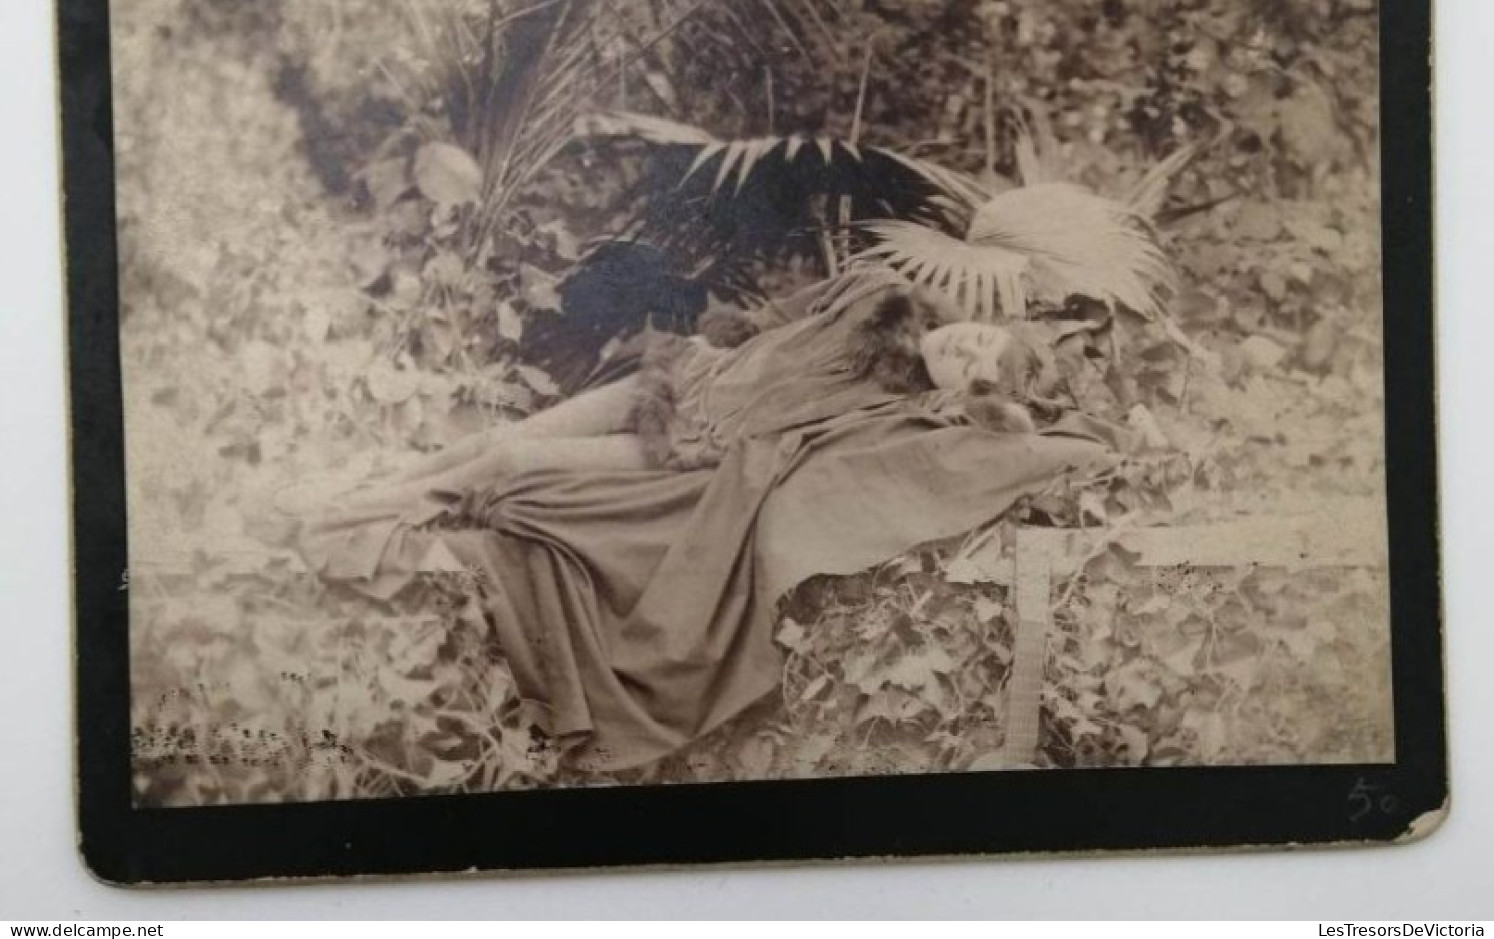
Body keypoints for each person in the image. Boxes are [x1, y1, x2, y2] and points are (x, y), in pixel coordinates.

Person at [273, 265, 1117, 771]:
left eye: (974, 369)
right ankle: (361, 496)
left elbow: (1019, 448)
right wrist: (730, 352)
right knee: (501, 436)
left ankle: (342, 517)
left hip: (688, 454)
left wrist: (1015, 415)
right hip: (676, 382)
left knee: (508, 468)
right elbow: (774, 320)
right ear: (964, 318)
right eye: (972, 338)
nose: (961, 349)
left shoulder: (894, 411)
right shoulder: (878, 295)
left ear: (959, 395)